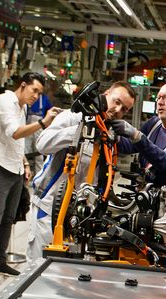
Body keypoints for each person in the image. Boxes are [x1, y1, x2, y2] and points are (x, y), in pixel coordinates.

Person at [26, 81, 136, 259]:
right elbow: (42, 144)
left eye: (124, 109)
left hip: (78, 215)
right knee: (38, 265)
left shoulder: (108, 136)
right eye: (116, 101)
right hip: (48, 208)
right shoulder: (73, 116)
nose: (118, 109)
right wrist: (77, 132)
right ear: (106, 94)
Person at [0, 71, 59, 289]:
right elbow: (14, 133)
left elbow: (16, 142)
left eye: (40, 93)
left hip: (14, 168)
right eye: (34, 91)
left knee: (8, 219)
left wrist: (24, 163)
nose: (36, 97)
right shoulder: (4, 101)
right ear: (23, 85)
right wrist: (43, 123)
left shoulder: (21, 107)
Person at [107, 81, 166, 187]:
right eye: (159, 97)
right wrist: (112, 137)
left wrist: (135, 134)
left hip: (164, 200)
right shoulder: (154, 124)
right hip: (142, 193)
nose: (160, 102)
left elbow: (164, 161)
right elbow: (132, 146)